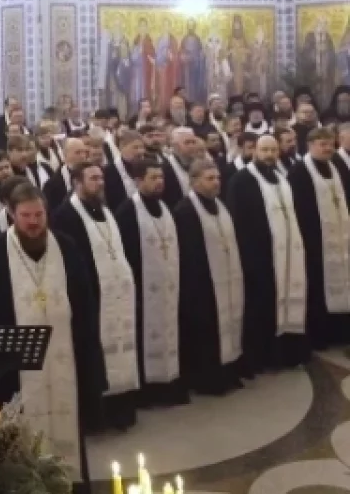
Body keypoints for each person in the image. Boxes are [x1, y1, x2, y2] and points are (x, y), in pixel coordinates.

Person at [0, 182, 103, 488]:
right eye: (26, 216)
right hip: (15, 371)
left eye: (39, 215)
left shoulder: (66, 247)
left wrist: (90, 360)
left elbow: (86, 305)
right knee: (19, 446)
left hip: (67, 359)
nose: (33, 222)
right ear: (11, 214)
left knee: (69, 436)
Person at [51, 163, 138, 431]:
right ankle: (97, 414)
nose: (100, 183)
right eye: (93, 178)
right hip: (90, 297)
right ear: (77, 182)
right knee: (93, 355)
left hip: (117, 294)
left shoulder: (106, 210)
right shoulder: (65, 215)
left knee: (121, 351)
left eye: (101, 178)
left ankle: (121, 407)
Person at [227, 134, 310, 373]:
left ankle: (287, 352)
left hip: (286, 256)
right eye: (264, 150)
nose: (269, 155)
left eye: (273, 150)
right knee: (261, 307)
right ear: (254, 151)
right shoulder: (241, 181)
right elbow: (237, 221)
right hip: (259, 257)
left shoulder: (281, 179)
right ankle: (262, 357)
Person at [112, 158, 188, 407]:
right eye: (153, 178)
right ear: (138, 180)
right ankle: (148, 392)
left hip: (168, 286)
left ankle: (169, 384)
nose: (159, 182)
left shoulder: (166, 208)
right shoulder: (127, 211)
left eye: (161, 177)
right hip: (143, 290)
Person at [172, 159, 246, 396]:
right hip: (202, 286)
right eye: (210, 178)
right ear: (194, 181)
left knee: (229, 325)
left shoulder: (220, 206)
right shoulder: (185, 211)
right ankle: (209, 379)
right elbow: (189, 254)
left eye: (218, 178)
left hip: (227, 279)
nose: (216, 183)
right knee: (207, 333)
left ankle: (229, 370)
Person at [288, 126, 350, 349]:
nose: (328, 148)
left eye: (330, 144)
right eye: (322, 144)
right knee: (317, 286)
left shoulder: (337, 167)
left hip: (341, 237)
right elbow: (298, 207)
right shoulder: (299, 171)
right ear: (310, 145)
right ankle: (321, 335)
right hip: (315, 240)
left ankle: (343, 331)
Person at [103, 130, 143, 211]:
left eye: (142, 147)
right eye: (135, 147)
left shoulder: (147, 166)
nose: (140, 151)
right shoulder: (109, 171)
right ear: (122, 147)